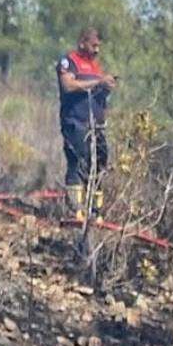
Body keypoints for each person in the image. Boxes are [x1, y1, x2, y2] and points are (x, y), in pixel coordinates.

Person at [57, 28, 116, 222]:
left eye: (99, 46)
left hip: (96, 125)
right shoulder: (69, 61)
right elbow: (68, 85)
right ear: (82, 43)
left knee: (99, 164)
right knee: (78, 162)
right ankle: (75, 210)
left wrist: (105, 88)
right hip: (75, 122)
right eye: (93, 45)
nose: (97, 50)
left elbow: (98, 93)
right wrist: (99, 81)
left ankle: (95, 212)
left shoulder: (95, 66)